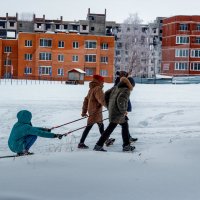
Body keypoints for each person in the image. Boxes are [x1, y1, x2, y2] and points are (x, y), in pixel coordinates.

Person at [94, 76, 135, 152]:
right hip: (118, 113)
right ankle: (125, 146)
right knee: (117, 127)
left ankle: (99, 145)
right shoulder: (126, 90)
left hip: (113, 111)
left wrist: (109, 105)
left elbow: (106, 93)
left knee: (120, 126)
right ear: (131, 84)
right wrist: (124, 111)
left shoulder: (116, 87)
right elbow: (121, 101)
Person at [78, 74, 106, 149]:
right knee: (90, 127)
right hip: (96, 112)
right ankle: (81, 143)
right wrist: (109, 106)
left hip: (92, 111)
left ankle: (106, 140)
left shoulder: (91, 89)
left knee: (100, 126)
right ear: (99, 81)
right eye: (102, 81)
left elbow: (86, 100)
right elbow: (102, 100)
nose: (103, 83)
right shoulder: (97, 89)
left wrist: (84, 112)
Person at [114, 70, 138, 143]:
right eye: (131, 85)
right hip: (118, 109)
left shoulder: (121, 85)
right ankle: (101, 143)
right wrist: (123, 110)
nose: (132, 87)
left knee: (122, 124)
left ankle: (128, 139)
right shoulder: (122, 87)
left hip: (119, 109)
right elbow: (120, 100)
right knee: (117, 125)